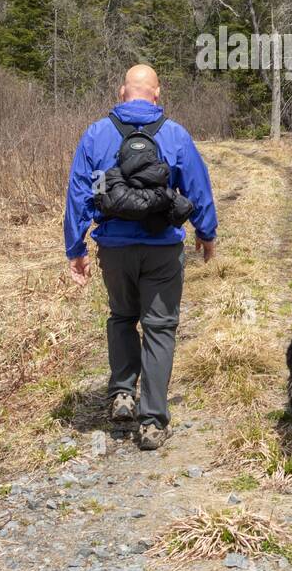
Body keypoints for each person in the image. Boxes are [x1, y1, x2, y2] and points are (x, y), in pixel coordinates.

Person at [64, 64, 217, 449]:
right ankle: (151, 422)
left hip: (113, 249)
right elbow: (196, 186)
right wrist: (206, 232)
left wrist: (76, 247)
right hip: (162, 247)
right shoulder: (175, 134)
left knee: (121, 317)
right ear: (157, 93)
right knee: (160, 328)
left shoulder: (97, 135)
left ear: (121, 92)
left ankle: (121, 394)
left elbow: (80, 193)